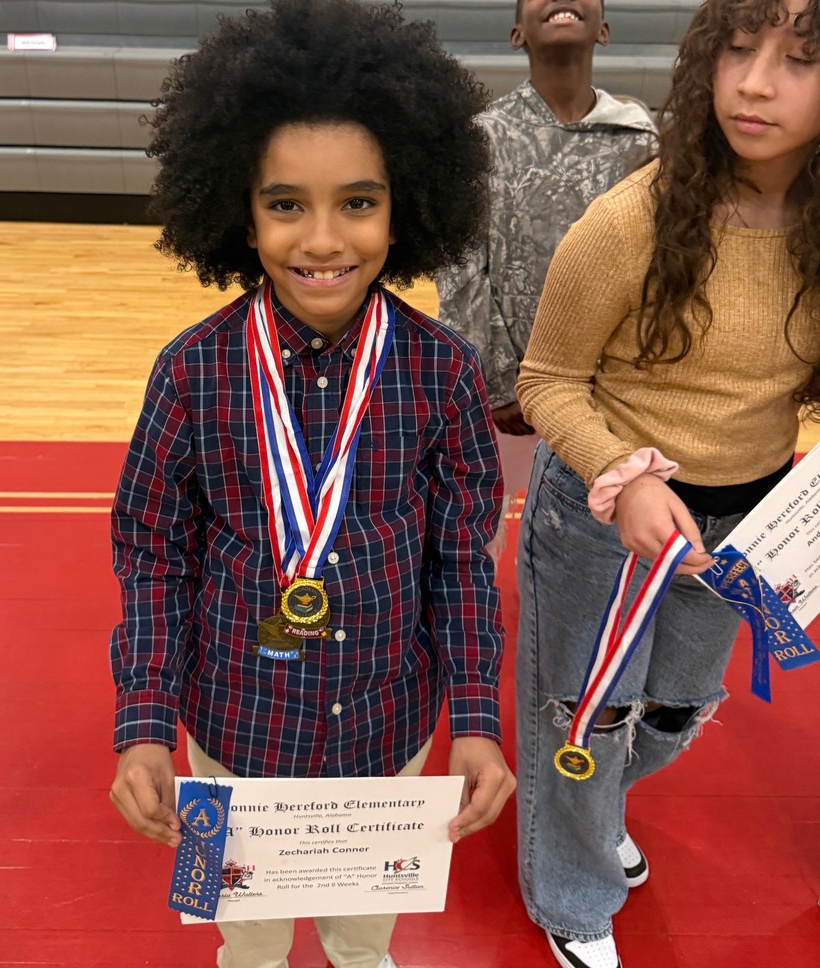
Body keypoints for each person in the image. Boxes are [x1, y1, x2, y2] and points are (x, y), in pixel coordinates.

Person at [106, 3, 516, 967]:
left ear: (404, 203)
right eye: (287, 203)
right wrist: (143, 726)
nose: (323, 239)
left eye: (358, 203)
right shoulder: (191, 371)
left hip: (389, 729)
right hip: (229, 730)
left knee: (363, 949)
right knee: (242, 949)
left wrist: (477, 719)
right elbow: (154, 557)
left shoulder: (442, 371)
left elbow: (459, 560)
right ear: (240, 215)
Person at [513, 1, 820, 966]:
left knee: (675, 715)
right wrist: (619, 474)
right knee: (586, 713)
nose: (756, 82)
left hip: (743, 522)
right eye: (738, 48)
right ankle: (571, 895)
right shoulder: (631, 220)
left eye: (798, 61)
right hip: (607, 515)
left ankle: (584, 803)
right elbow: (546, 380)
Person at [435, 0, 657, 532]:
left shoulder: (639, 142)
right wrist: (500, 382)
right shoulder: (481, 139)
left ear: (603, 28)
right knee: (490, 534)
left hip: (612, 395)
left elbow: (655, 271)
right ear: (517, 34)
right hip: (505, 401)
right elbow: (461, 270)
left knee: (602, 537)